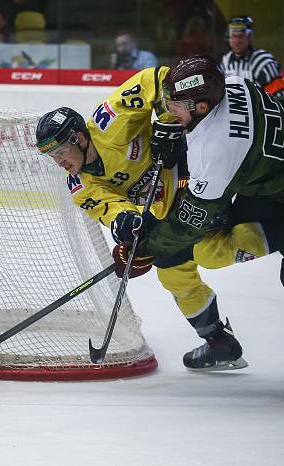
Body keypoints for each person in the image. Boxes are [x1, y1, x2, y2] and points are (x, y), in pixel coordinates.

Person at [34, 65, 250, 371]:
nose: (58, 162)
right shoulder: (81, 187)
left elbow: (158, 78)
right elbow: (114, 212)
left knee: (210, 249)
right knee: (172, 271)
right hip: (169, 209)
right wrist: (129, 226)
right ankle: (219, 342)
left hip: (197, 169)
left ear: (80, 137)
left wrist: (167, 121)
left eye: (60, 151)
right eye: (51, 156)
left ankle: (270, 232)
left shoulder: (111, 121)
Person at [119, 55, 284, 369]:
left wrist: (147, 247)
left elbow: (189, 225)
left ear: (203, 108)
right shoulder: (232, 84)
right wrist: (179, 136)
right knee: (194, 252)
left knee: (195, 249)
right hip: (268, 184)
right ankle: (218, 341)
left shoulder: (215, 152)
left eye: (177, 107)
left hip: (270, 189)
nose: (170, 111)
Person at [221, 15, 281, 89]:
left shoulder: (263, 62)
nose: (237, 41)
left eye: (241, 36)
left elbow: (276, 96)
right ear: (229, 38)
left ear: (249, 37)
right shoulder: (226, 60)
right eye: (233, 36)